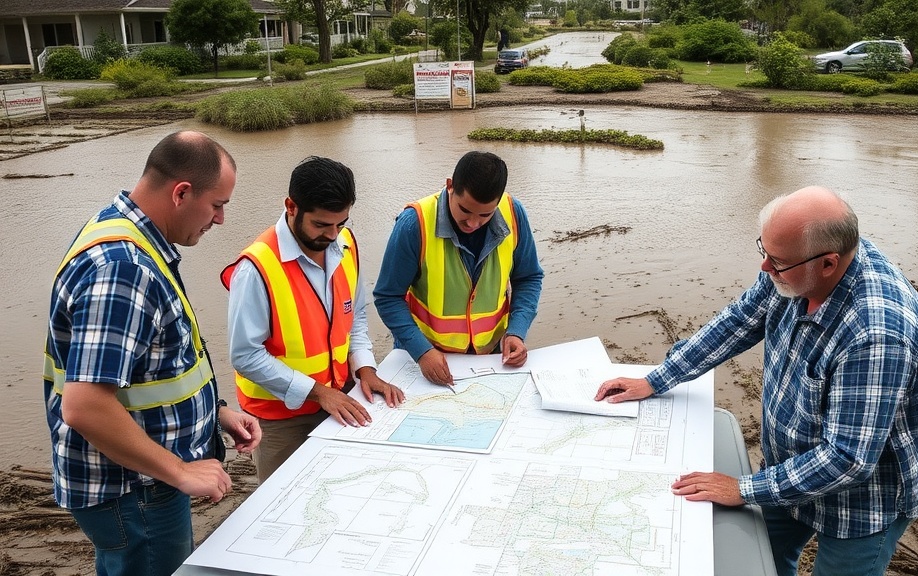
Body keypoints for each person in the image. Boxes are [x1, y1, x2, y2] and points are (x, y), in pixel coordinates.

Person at [595, 186, 918, 576]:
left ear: (829, 264)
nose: (766, 269)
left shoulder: (877, 334)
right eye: (764, 251)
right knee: (762, 564)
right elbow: (737, 322)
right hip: (787, 473)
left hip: (864, 502)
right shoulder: (796, 266)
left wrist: (742, 488)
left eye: (776, 262)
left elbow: (848, 459)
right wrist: (657, 379)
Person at [43, 130, 262, 576]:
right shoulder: (124, 268)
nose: (220, 219)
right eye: (217, 205)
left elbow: (148, 367)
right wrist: (179, 472)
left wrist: (215, 413)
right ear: (182, 193)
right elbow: (85, 406)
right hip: (135, 488)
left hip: (139, 478)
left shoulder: (126, 233)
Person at [223, 156, 404, 483]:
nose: (332, 235)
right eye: (321, 225)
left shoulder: (346, 245)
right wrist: (318, 392)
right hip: (280, 421)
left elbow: (356, 316)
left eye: (341, 223)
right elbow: (244, 355)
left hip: (341, 397)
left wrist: (365, 368)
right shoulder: (255, 269)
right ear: (291, 207)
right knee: (281, 504)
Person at [374, 151, 544, 385]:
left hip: (491, 356)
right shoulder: (414, 224)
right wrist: (421, 351)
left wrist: (516, 331)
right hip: (425, 356)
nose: (473, 223)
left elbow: (528, 278)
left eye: (485, 214)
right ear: (450, 186)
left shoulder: (514, 214)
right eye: (465, 210)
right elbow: (387, 297)